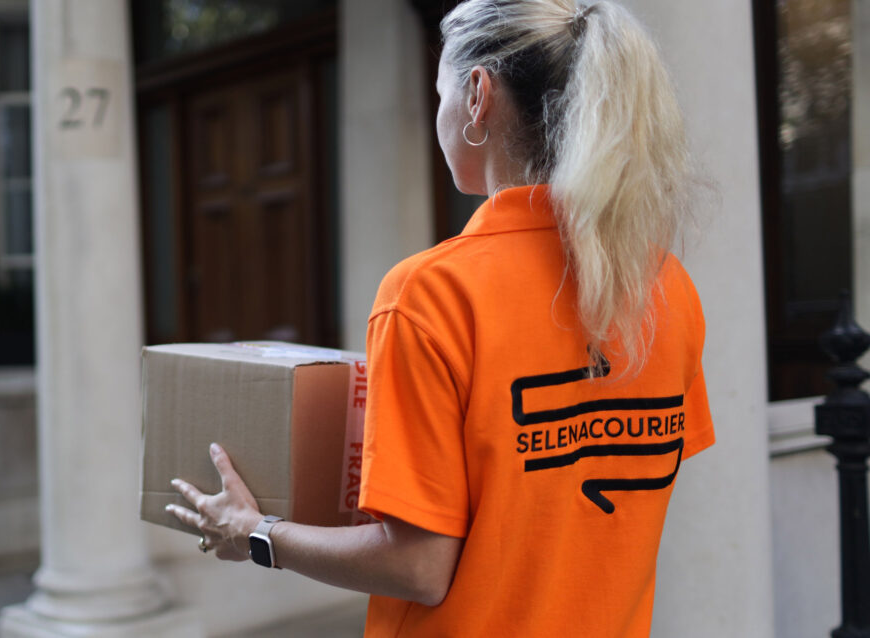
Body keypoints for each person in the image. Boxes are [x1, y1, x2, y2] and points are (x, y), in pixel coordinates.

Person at [165, 0, 715, 635]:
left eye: (440, 94)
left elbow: (420, 565)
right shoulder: (666, 285)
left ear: (477, 95)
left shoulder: (431, 294)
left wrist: (256, 532)